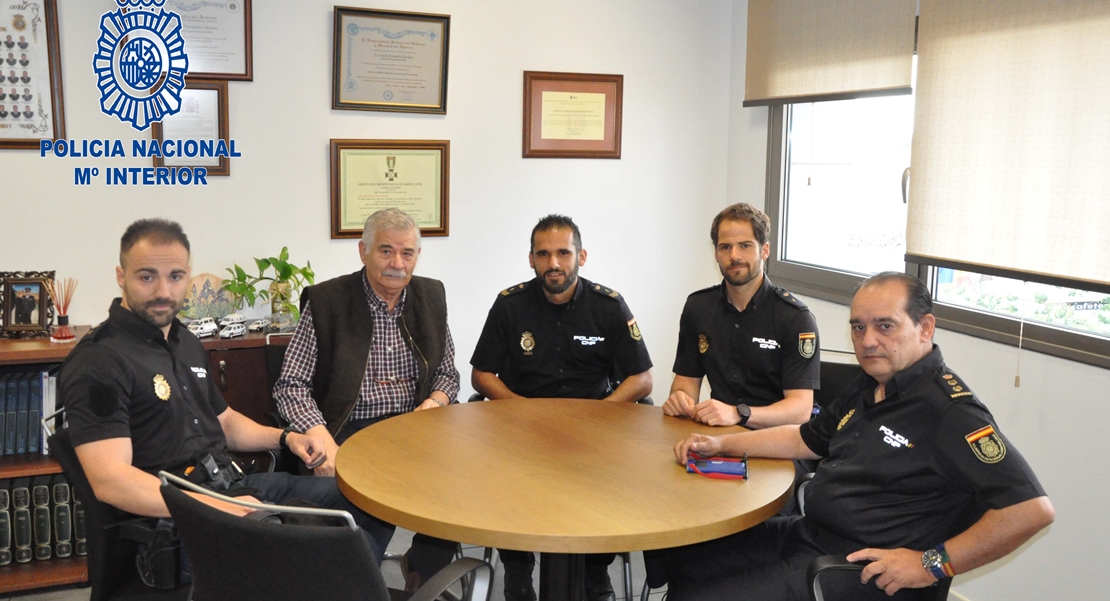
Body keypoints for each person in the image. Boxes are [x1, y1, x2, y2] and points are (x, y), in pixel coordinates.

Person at [667, 272, 1054, 601]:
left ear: (925, 328)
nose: (868, 341)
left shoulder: (950, 412)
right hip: (808, 534)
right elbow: (805, 439)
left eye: (885, 326)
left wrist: (930, 564)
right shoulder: (869, 384)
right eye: (858, 327)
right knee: (685, 559)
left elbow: (1031, 510)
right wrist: (722, 444)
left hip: (853, 569)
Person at [58, 219, 397, 566]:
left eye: (175, 277)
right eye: (147, 277)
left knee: (370, 501)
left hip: (232, 484)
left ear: (187, 277)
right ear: (121, 276)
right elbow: (110, 480)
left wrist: (287, 438)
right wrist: (221, 507)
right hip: (183, 518)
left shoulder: (184, 341)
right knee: (349, 552)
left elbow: (226, 423)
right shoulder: (99, 362)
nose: (163, 291)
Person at [274, 207, 461, 591]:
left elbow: (448, 374)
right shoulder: (328, 303)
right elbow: (290, 384)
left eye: (407, 253)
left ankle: (423, 572)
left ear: (417, 256)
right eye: (386, 251)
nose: (397, 263)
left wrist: (435, 403)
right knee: (362, 535)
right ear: (363, 251)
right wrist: (320, 435)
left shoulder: (431, 297)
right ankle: (357, 584)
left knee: (454, 490)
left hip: (414, 429)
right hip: (349, 432)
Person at [471, 214, 654, 601]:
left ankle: (594, 572)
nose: (553, 263)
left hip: (594, 428)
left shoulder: (609, 305)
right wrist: (521, 410)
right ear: (531, 259)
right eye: (544, 254)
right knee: (506, 478)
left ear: (581, 256)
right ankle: (518, 572)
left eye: (563, 253)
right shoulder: (510, 305)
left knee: (603, 485)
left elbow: (642, 380)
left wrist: (600, 414)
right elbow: (482, 375)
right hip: (521, 425)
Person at [663, 203, 820, 430]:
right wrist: (681, 397)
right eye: (725, 247)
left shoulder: (795, 317)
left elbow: (801, 409)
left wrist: (739, 414)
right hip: (718, 430)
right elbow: (687, 379)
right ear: (716, 254)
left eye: (745, 246)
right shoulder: (698, 307)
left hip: (777, 437)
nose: (734, 256)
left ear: (764, 250)